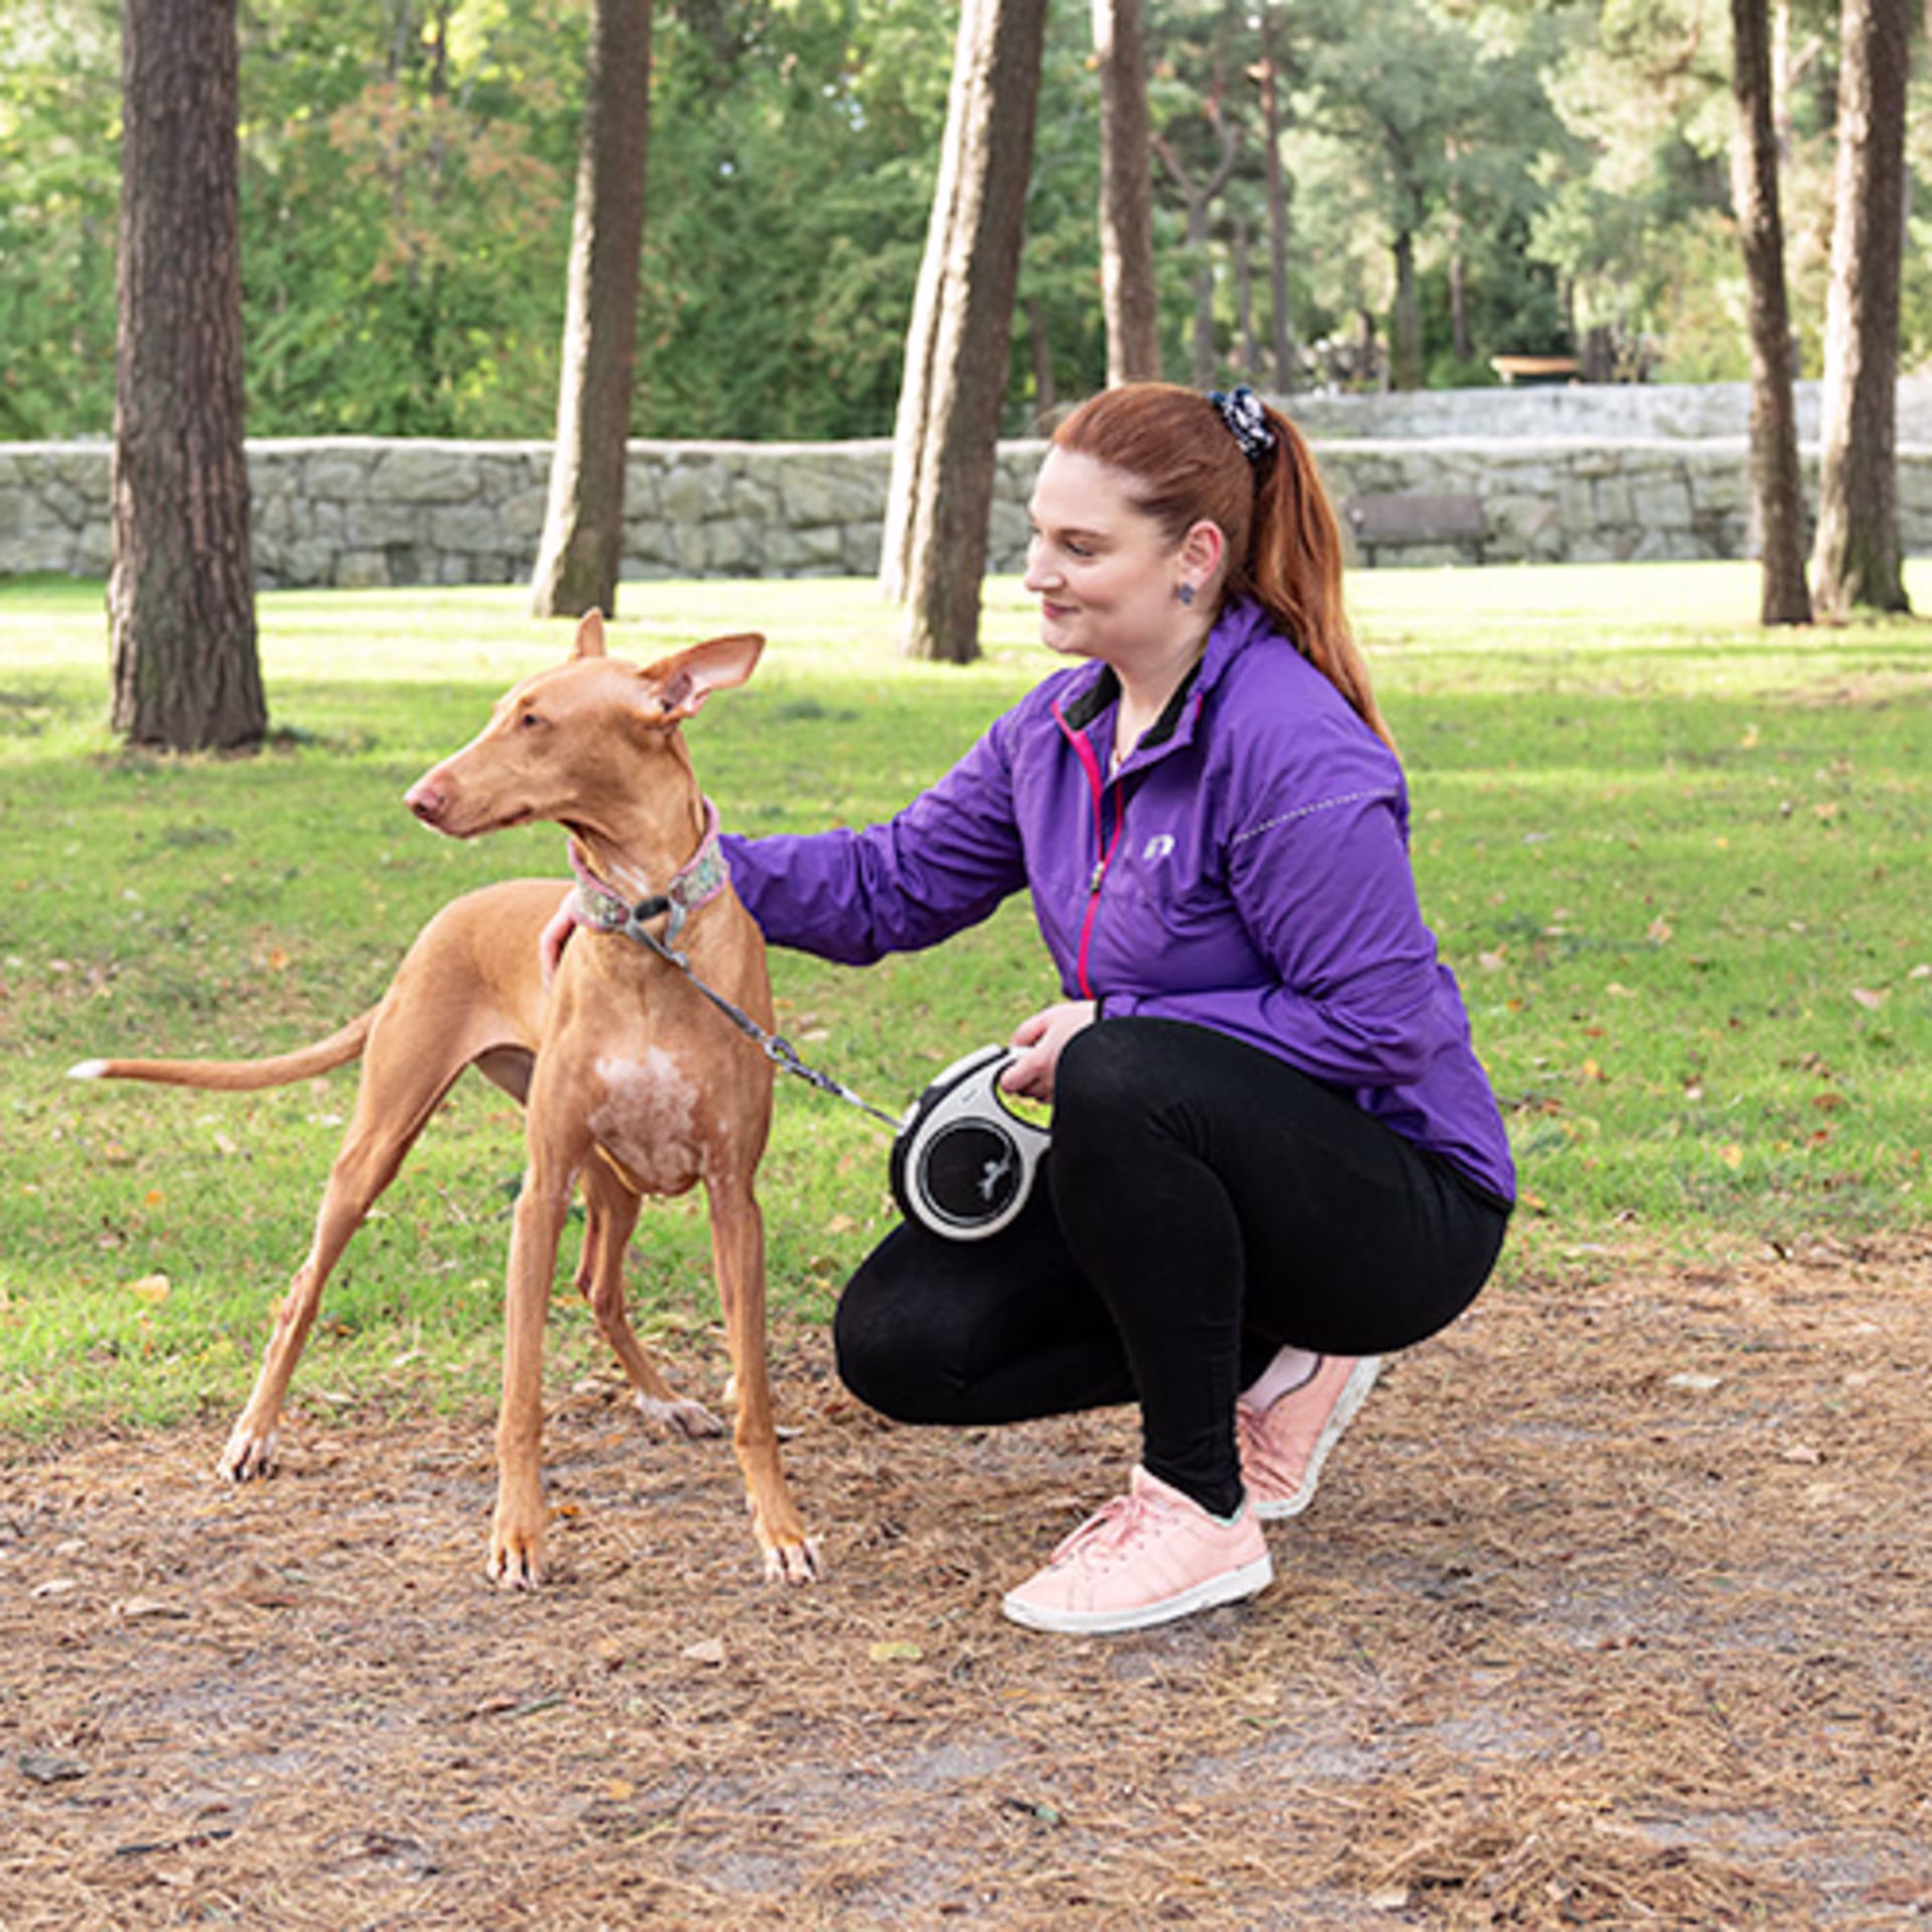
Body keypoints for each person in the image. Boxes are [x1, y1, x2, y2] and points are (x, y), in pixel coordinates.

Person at [555, 382, 1514, 1636]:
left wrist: (1117, 1027)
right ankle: (1280, 1359)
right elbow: (890, 883)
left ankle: (1196, 1509)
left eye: (1080, 547)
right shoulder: (1057, 730)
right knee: (905, 1341)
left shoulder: (1293, 746)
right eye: (1035, 537)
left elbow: (1382, 1027)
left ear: (1195, 558)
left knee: (1121, 1071)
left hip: (1401, 1207)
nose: (1036, 575)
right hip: (1195, 1164)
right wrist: (667, 887)